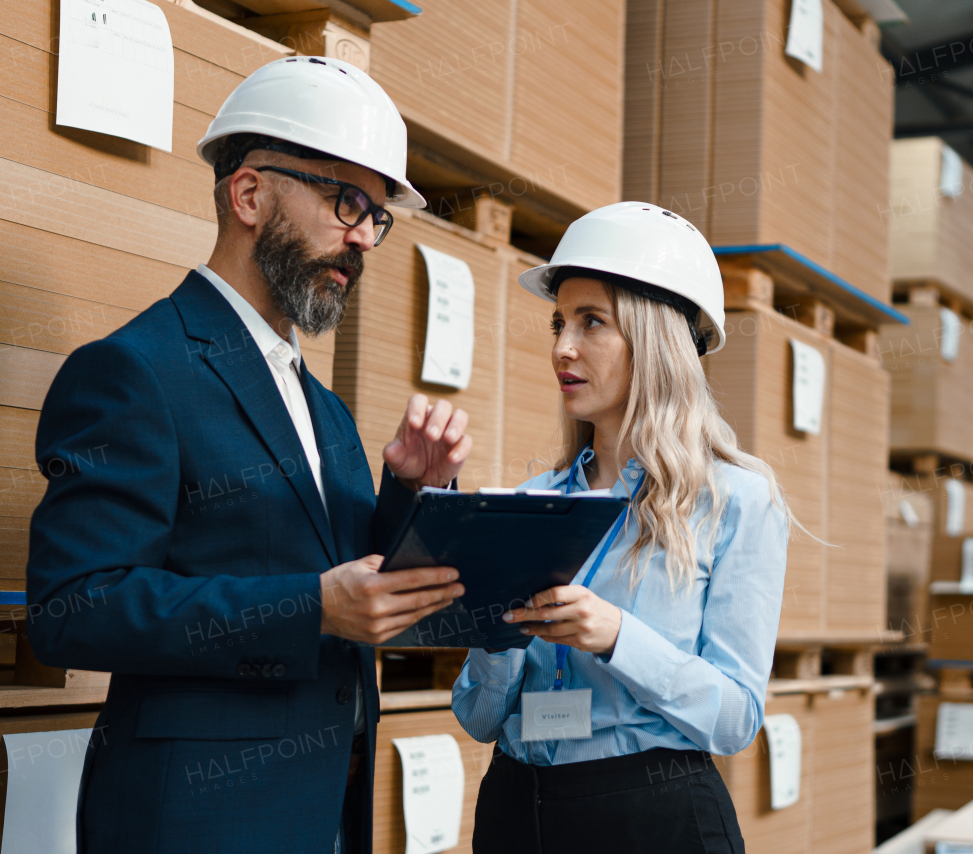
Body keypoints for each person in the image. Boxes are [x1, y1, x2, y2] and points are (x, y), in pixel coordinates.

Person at [25, 56, 471, 854]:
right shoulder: (136, 371)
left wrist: (409, 489)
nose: (365, 236)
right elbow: (75, 609)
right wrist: (310, 609)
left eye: (378, 217)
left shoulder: (324, 410)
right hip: (195, 824)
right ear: (251, 194)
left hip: (324, 815)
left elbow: (354, 579)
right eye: (347, 202)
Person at [452, 202, 795, 854]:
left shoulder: (736, 501)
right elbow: (477, 717)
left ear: (656, 338)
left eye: (592, 322)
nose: (562, 347)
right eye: (559, 322)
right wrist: (497, 637)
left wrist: (617, 637)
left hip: (653, 818)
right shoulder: (527, 503)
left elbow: (735, 719)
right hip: (514, 812)